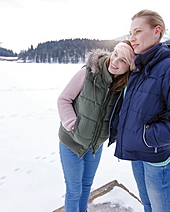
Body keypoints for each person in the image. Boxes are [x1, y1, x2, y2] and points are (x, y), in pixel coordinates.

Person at [113, 10, 170, 212]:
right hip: (138, 154)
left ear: (156, 31)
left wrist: (145, 137)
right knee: (148, 205)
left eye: (138, 31)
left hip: (157, 160)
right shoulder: (139, 66)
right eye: (130, 32)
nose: (132, 38)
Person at [57, 40, 136, 212]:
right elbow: (64, 100)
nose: (115, 62)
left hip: (95, 147)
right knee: (74, 189)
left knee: (86, 186)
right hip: (71, 142)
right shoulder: (88, 73)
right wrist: (73, 126)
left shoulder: (121, 87)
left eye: (123, 60)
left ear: (129, 68)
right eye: (116, 54)